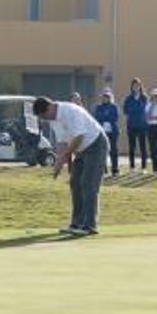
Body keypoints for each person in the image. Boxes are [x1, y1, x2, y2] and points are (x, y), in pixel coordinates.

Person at [33, 96, 108, 237]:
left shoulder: (70, 111)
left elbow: (78, 137)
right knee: (75, 183)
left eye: (44, 116)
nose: (45, 119)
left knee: (88, 183)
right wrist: (59, 163)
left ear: (49, 107)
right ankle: (77, 223)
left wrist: (65, 156)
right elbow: (62, 143)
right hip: (80, 148)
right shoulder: (53, 119)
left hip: (96, 144)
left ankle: (90, 225)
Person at [123, 77, 149, 174]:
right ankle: (132, 167)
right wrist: (133, 110)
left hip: (142, 126)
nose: (136, 87)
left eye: (138, 85)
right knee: (132, 147)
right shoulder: (128, 98)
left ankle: (143, 167)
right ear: (132, 87)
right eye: (134, 85)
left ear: (140, 86)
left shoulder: (144, 98)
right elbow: (125, 110)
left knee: (143, 147)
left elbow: (147, 110)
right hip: (131, 125)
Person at [94, 88, 120, 177]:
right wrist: (106, 116)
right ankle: (104, 170)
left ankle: (115, 170)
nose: (106, 98)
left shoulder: (114, 107)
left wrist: (105, 117)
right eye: (104, 97)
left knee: (114, 151)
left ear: (110, 97)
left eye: (107, 97)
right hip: (102, 132)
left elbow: (115, 117)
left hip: (113, 132)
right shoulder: (99, 107)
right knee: (103, 151)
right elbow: (97, 117)